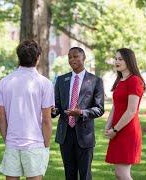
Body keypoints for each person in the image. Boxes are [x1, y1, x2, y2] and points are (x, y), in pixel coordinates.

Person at [0, 40, 54, 180]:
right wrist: (46, 145)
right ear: (38, 58)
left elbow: (1, 118)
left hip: (12, 143)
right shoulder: (44, 83)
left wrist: (7, 139)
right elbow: (46, 120)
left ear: (18, 57)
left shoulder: (5, 81)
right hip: (35, 144)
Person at [51, 47, 104, 180]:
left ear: (83, 57)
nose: (72, 59)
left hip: (85, 135)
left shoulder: (95, 81)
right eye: (69, 57)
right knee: (69, 174)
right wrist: (53, 111)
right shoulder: (61, 80)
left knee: (85, 175)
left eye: (75, 56)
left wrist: (81, 113)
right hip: (65, 134)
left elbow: (99, 108)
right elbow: (57, 106)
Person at [105, 48, 145, 180]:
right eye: (115, 58)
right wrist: (108, 125)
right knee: (118, 174)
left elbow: (131, 110)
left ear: (129, 61)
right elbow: (115, 106)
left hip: (127, 131)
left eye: (120, 59)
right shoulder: (120, 81)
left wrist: (115, 129)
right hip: (117, 130)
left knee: (123, 174)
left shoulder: (134, 81)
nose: (117, 61)